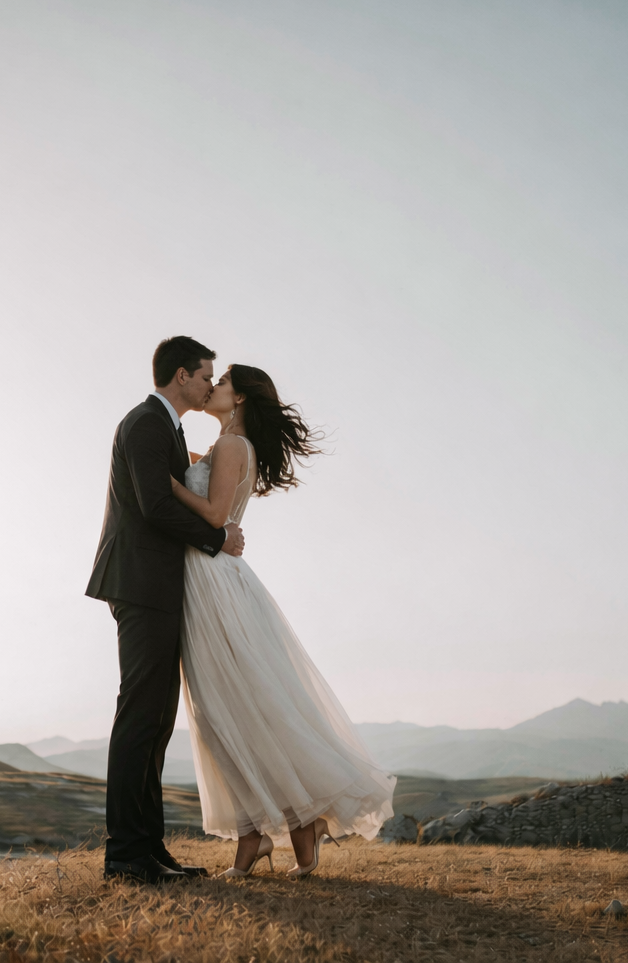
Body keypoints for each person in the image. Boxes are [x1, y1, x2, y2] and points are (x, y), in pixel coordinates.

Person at [170, 364, 395, 878]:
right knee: (225, 711)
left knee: (236, 708)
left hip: (212, 581)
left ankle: (289, 825)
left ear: (241, 397)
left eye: (221, 382)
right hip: (208, 580)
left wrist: (163, 484)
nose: (213, 388)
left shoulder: (232, 448)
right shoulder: (225, 447)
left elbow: (212, 516)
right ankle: (272, 833)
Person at [85, 335, 244, 884]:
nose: (209, 384)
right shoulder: (146, 423)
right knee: (140, 717)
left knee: (157, 720)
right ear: (182, 376)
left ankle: (148, 850)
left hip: (157, 586)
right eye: (206, 376)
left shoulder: (167, 428)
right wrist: (216, 537)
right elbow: (154, 505)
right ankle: (125, 856)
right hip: (140, 582)